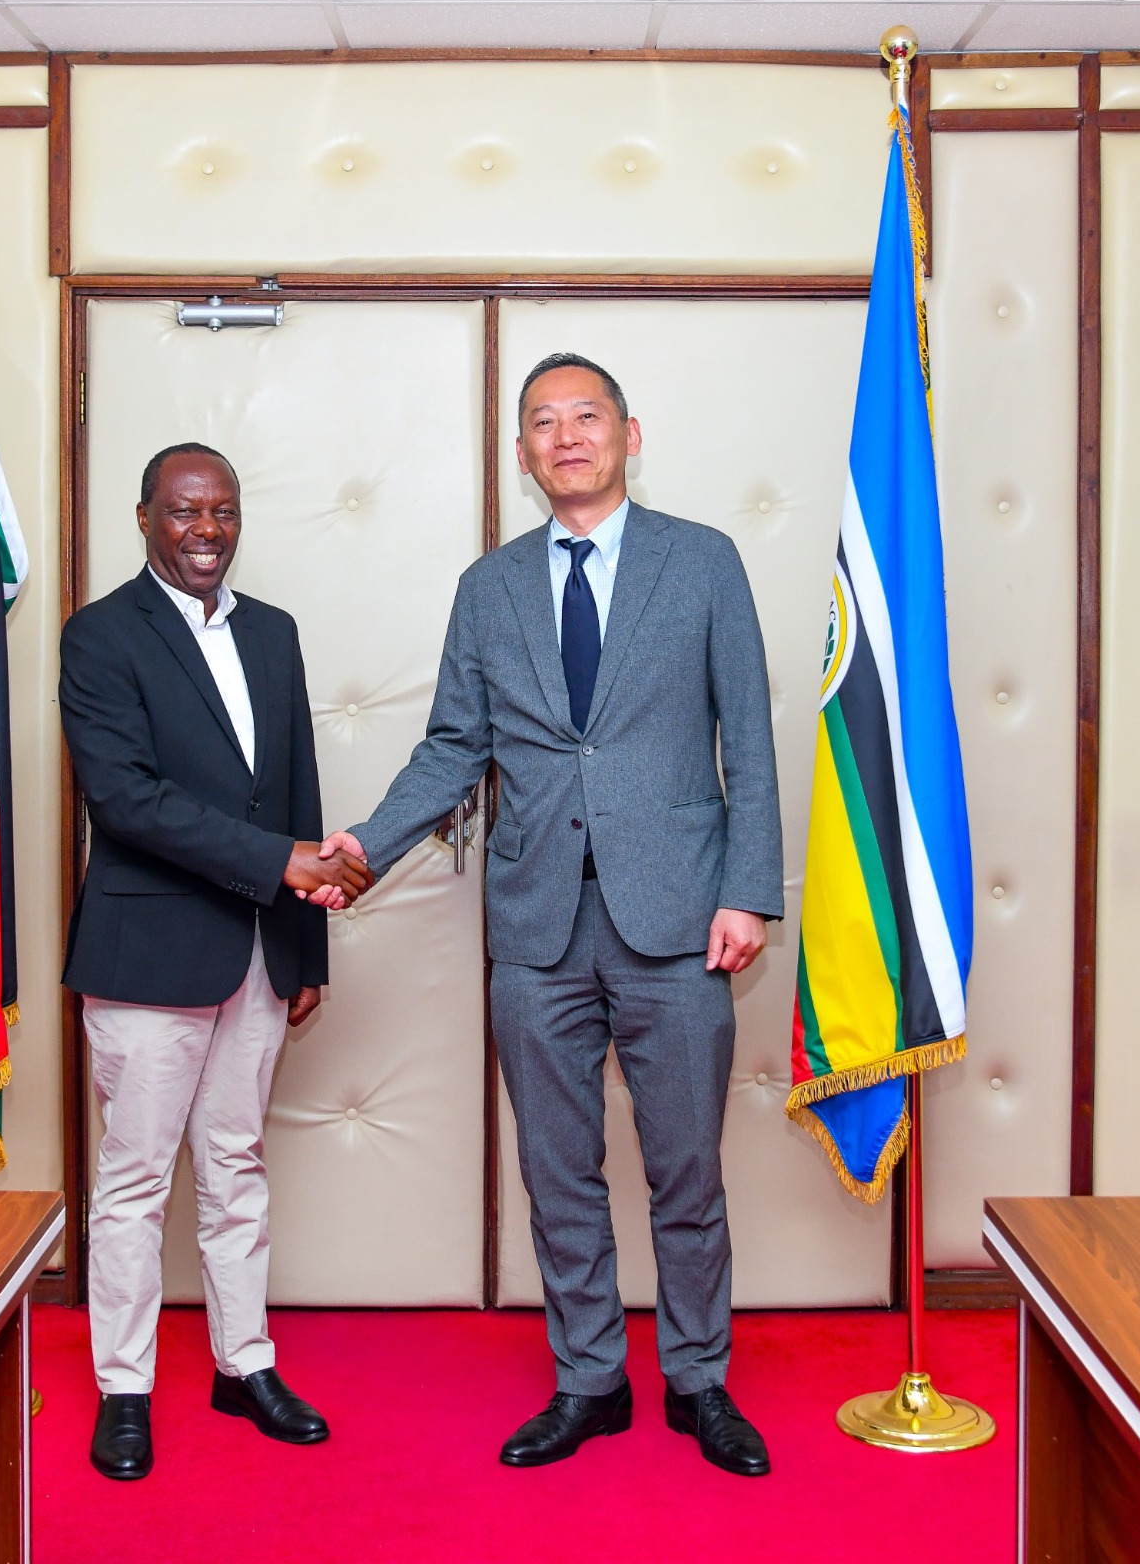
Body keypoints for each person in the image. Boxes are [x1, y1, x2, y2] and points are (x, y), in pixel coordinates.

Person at [311, 356, 783, 1474]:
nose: (565, 437)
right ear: (521, 454)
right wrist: (364, 846)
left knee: (685, 1168)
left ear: (628, 431)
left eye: (585, 417)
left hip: (678, 920)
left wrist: (747, 889)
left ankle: (699, 1378)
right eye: (542, 424)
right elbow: (454, 746)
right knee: (556, 1165)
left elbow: (747, 740)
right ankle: (588, 1381)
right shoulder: (491, 587)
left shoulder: (703, 563)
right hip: (534, 928)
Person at [59, 442, 372, 1481]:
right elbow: (127, 801)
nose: (206, 530)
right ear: (144, 515)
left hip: (258, 954)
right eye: (186, 511)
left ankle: (243, 1364)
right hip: (149, 950)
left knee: (236, 1164)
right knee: (136, 1177)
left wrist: (307, 937)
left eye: (223, 511)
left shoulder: (273, 634)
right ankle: (125, 1386)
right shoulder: (99, 637)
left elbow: (294, 790)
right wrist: (279, 863)